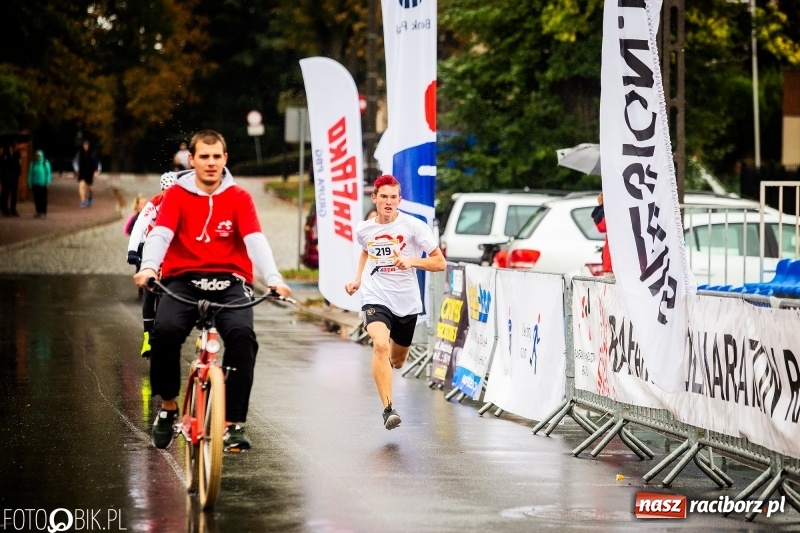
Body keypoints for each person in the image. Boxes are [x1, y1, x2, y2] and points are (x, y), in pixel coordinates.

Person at [133, 130, 291, 451]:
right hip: (183, 280)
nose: (211, 163)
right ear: (191, 160)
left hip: (229, 283)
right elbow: (160, 235)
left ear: (225, 159)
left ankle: (233, 424)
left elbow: (254, 241)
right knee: (163, 332)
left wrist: (274, 278)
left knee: (243, 337)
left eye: (217, 156)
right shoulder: (176, 196)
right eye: (204, 156)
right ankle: (167, 408)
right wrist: (149, 267)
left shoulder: (239, 198)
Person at [344, 175, 446, 430]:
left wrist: (412, 261)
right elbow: (367, 249)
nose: (388, 202)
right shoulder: (364, 228)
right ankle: (388, 409)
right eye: (384, 197)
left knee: (398, 361)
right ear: (374, 198)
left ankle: (385, 367)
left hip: (406, 301)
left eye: (393, 197)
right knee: (380, 345)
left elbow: (439, 262)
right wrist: (357, 279)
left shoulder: (414, 227)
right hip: (375, 296)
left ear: (399, 200)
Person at [127, 172, 177, 353]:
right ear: (162, 189)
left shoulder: (185, 202)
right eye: (167, 191)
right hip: (152, 253)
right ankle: (148, 336)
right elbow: (139, 225)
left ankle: (166, 334)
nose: (170, 195)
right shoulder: (155, 203)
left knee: (171, 295)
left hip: (173, 254)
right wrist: (132, 251)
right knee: (150, 293)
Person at [591, 192, 613, 279]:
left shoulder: (618, 207)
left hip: (614, 266)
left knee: (609, 291)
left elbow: (602, 225)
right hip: (626, 265)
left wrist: (602, 205)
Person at [73, 140, 101, 208]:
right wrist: (77, 170)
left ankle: (90, 197)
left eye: (87, 145)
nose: (85, 146)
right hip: (82, 172)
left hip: (89, 173)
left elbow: (97, 163)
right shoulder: (79, 154)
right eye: (84, 145)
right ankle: (83, 201)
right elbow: (75, 162)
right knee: (81, 186)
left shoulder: (92, 154)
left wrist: (97, 171)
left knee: (90, 189)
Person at [28, 150, 52, 218]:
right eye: (37, 155)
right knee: (36, 198)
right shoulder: (33, 163)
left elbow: (48, 173)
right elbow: (30, 174)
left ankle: (43, 212)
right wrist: (30, 183)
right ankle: (38, 211)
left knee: (43, 199)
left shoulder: (45, 163)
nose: (38, 157)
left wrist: (48, 182)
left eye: (39, 155)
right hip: (35, 184)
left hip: (43, 185)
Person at [0, 143, 22, 217]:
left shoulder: (17, 153)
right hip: (6, 177)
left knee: (14, 194)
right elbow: (3, 163)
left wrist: (18, 172)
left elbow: (18, 163)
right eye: (13, 144)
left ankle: (13, 210)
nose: (15, 146)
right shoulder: (5, 152)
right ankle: (4, 209)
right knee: (5, 193)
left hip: (14, 176)